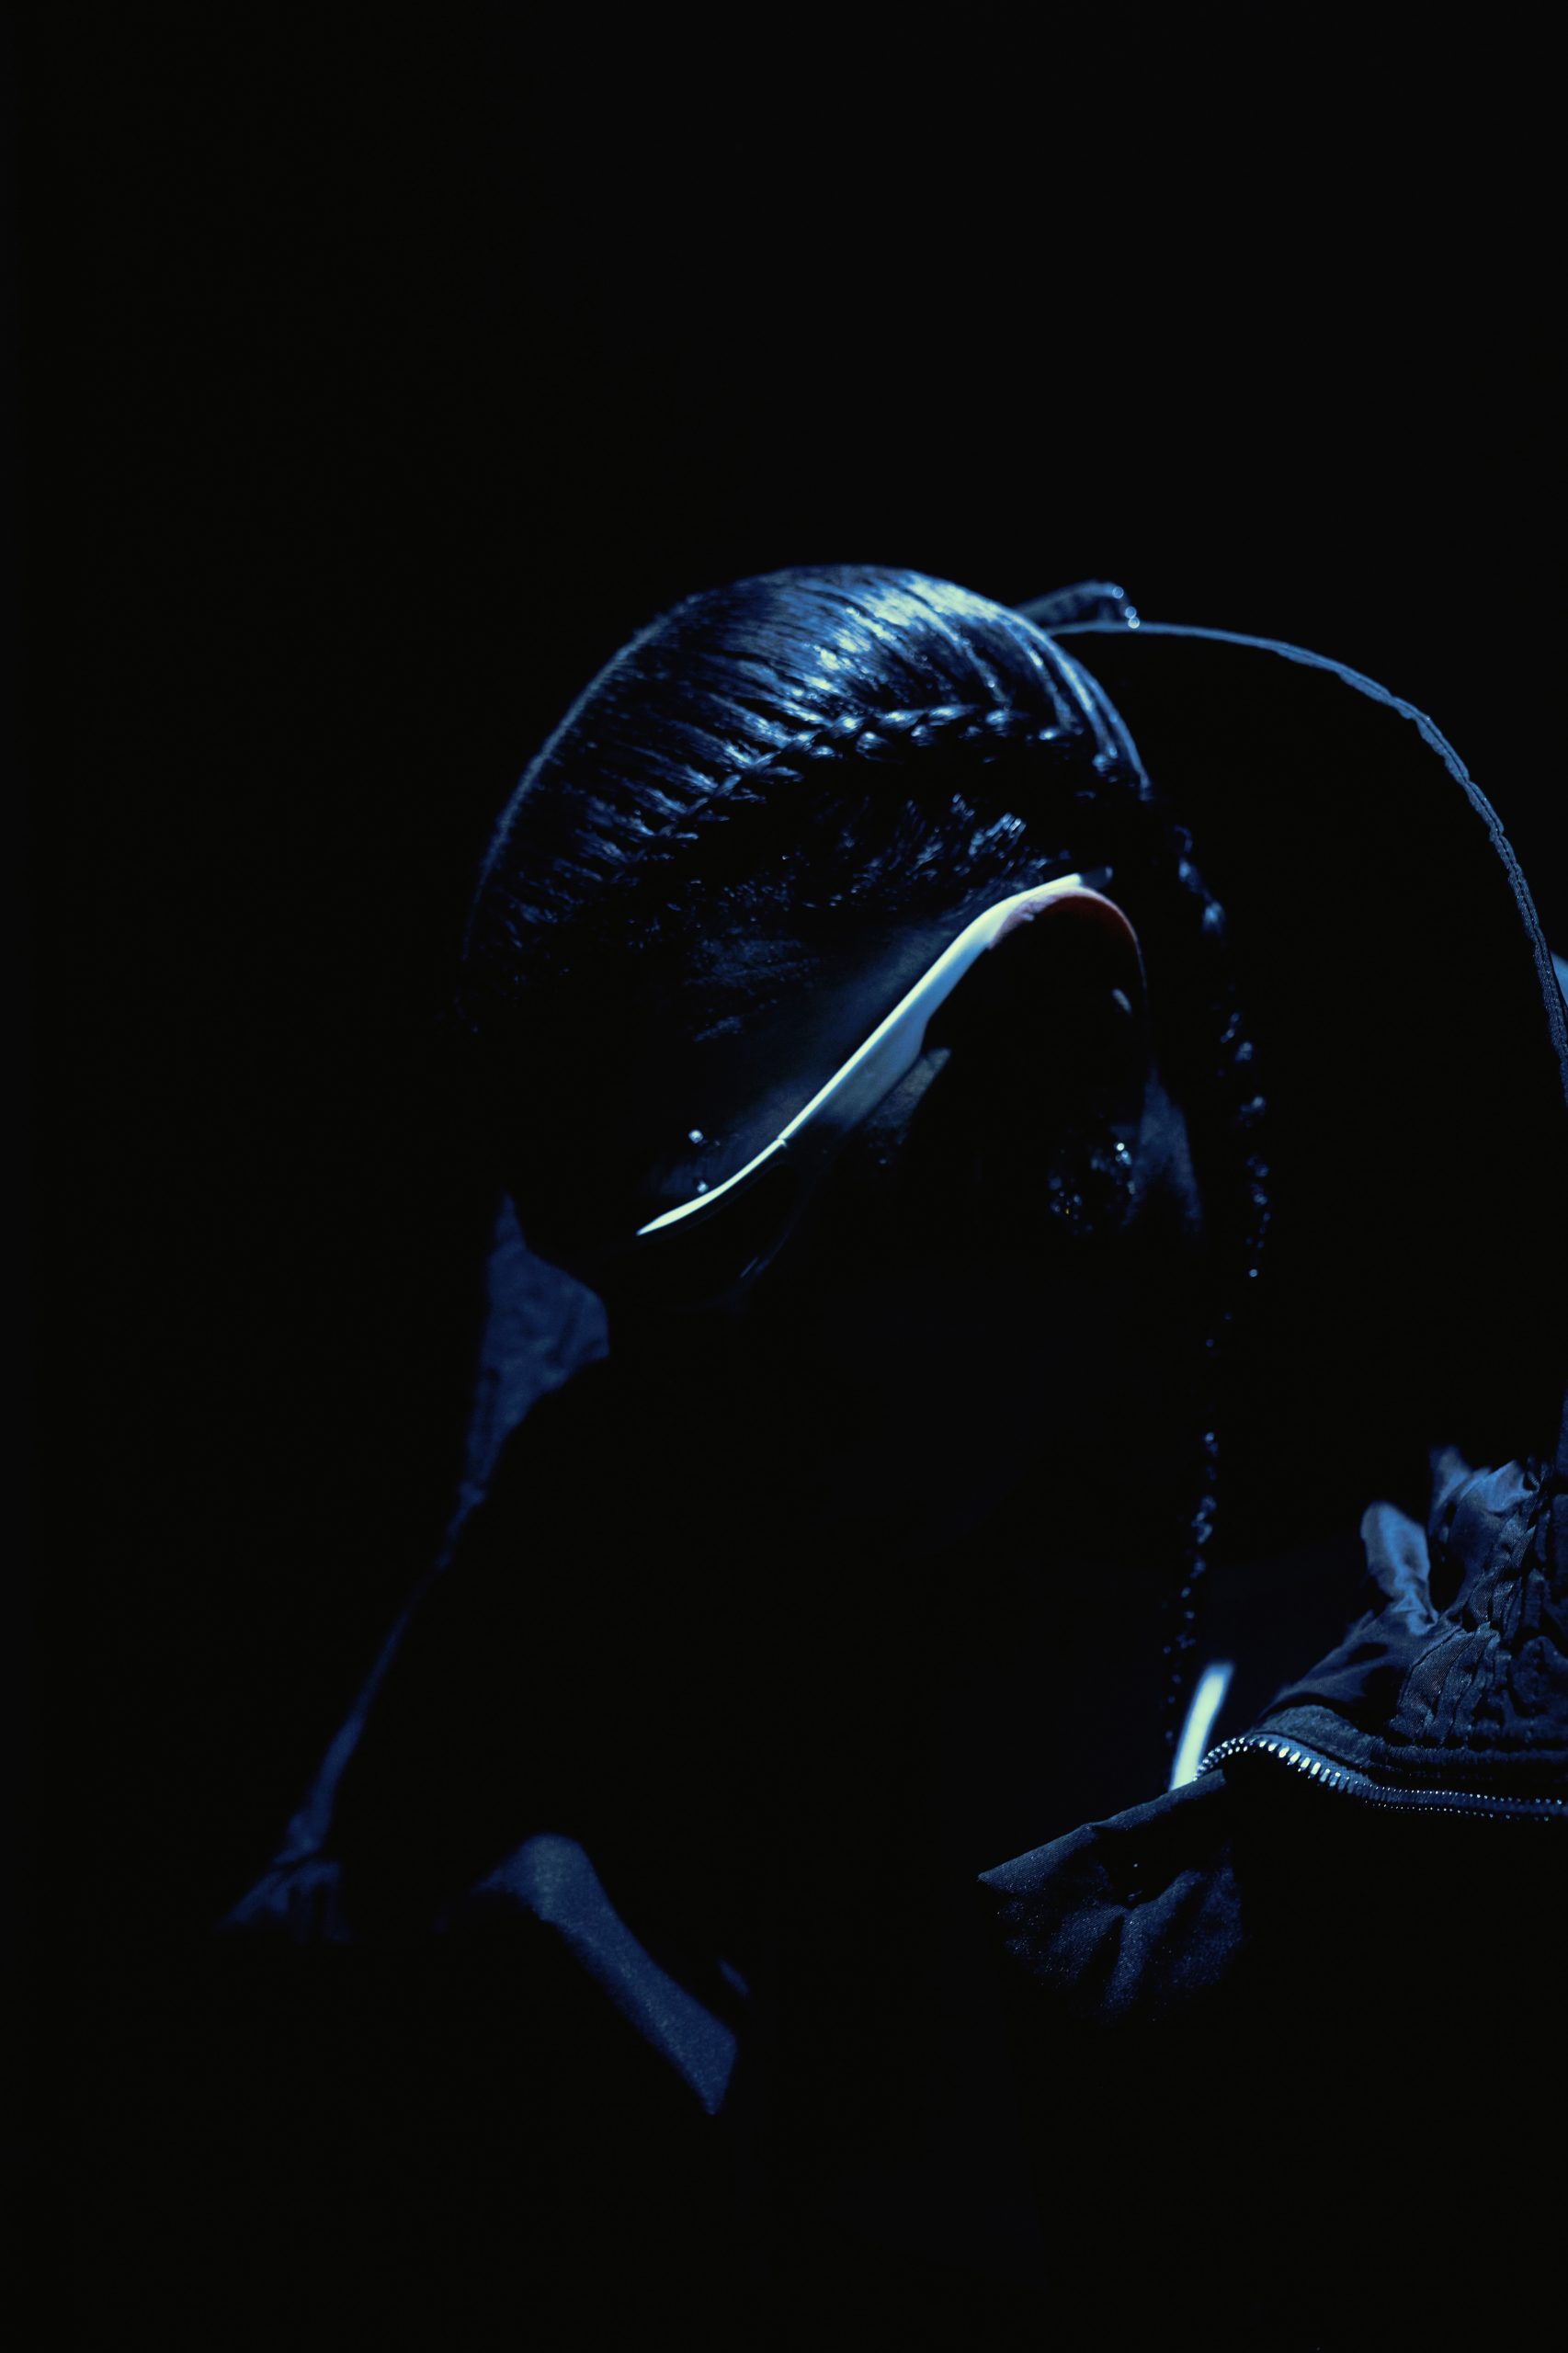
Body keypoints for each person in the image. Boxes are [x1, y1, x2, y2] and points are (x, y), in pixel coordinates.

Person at [211, 569, 1567, 2341]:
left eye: (760, 1277)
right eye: (623, 1310)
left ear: (1060, 1046)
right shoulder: (627, 1519)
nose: (691, 1418)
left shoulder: (1495, 1609)